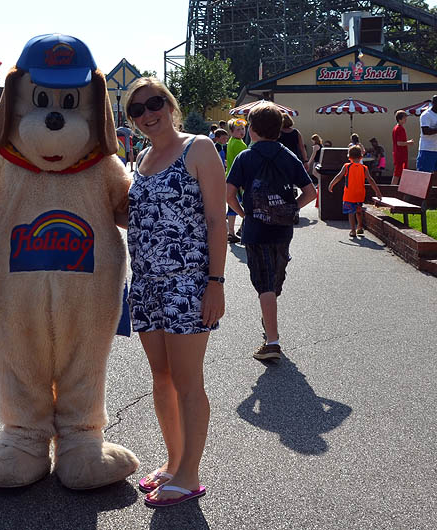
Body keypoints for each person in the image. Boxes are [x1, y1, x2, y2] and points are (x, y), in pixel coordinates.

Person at [121, 77, 226, 507]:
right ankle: (173, 462)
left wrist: (216, 283)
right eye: (137, 110)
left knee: (187, 382)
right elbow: (139, 218)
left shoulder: (198, 148)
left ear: (169, 104)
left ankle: (189, 475)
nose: (147, 114)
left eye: (154, 103)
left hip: (187, 283)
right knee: (161, 378)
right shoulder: (142, 158)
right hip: (145, 284)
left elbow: (216, 221)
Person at [225, 102, 317, 361]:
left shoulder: (245, 157)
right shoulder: (288, 156)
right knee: (274, 281)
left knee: (264, 283)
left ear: (252, 130)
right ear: (279, 130)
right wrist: (291, 208)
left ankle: (272, 342)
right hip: (282, 230)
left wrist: (244, 213)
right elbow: (311, 193)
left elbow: (228, 194)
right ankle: (270, 323)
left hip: (256, 230)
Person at [328, 145, 382, 238]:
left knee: (351, 213)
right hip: (360, 194)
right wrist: (377, 192)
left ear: (349, 157)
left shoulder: (347, 167)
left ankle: (353, 230)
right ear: (361, 157)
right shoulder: (364, 168)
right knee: (358, 211)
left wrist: (331, 184)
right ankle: (359, 226)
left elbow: (339, 176)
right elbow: (371, 180)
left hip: (349, 194)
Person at [226, 118, 248, 242]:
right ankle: (242, 229)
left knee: (232, 206)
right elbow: (245, 163)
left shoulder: (231, 141)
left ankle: (232, 231)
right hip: (239, 180)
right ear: (231, 131)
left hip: (230, 177)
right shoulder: (240, 144)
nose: (241, 131)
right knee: (245, 205)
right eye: (238, 129)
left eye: (243, 129)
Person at [392, 110, 414, 185]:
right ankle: (392, 188)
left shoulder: (396, 128)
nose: (406, 119)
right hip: (400, 155)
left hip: (399, 154)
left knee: (400, 173)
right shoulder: (399, 129)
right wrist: (409, 143)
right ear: (400, 119)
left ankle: (398, 188)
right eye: (404, 118)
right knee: (398, 173)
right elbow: (399, 143)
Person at [416, 94, 437, 173]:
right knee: (425, 174)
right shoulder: (426, 115)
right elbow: (425, 131)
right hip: (427, 149)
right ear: (433, 103)